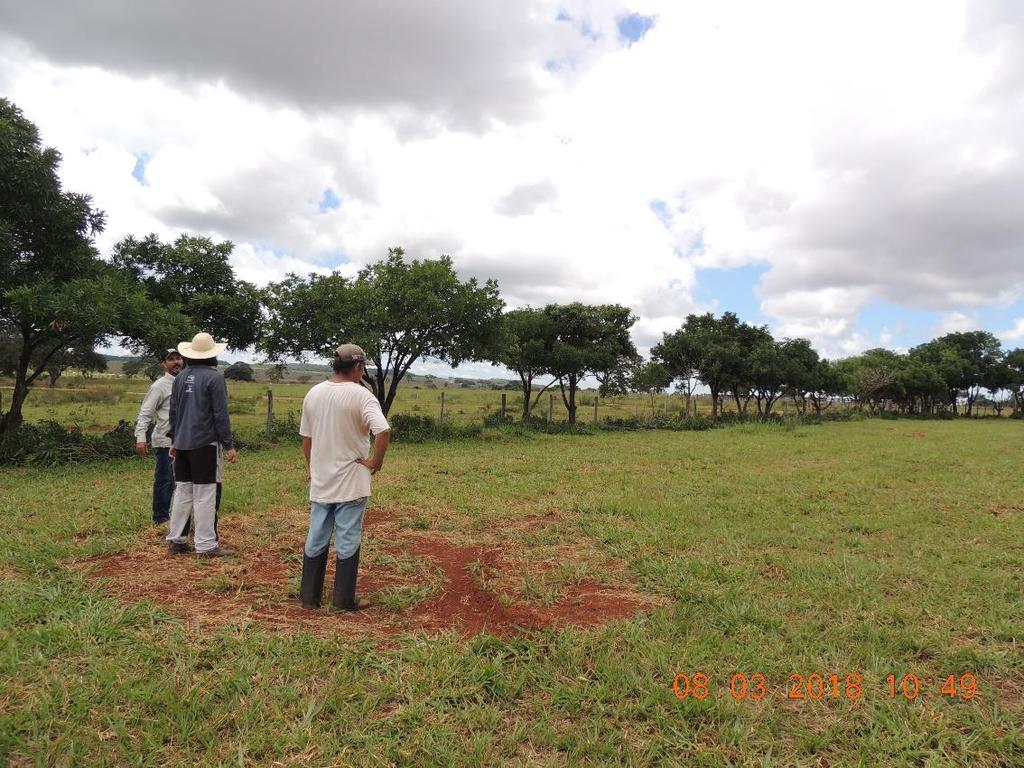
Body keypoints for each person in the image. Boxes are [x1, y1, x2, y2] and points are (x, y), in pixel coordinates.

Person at [299, 343, 391, 610]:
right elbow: (383, 431)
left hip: (322, 480)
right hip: (351, 481)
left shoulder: (314, 393)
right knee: (348, 538)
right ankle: (343, 600)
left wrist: (312, 468)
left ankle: (309, 598)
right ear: (359, 367)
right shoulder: (362, 396)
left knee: (316, 535)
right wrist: (376, 462)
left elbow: (307, 438)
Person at [165, 332, 239, 557]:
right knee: (206, 493)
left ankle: (176, 540)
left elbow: (174, 412)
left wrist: (174, 439)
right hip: (205, 443)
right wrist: (229, 445)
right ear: (212, 355)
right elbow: (220, 414)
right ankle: (206, 544)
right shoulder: (214, 378)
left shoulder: (180, 377)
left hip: (183, 443)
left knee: (183, 491)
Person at [134, 349, 183, 525]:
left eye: (178, 358)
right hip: (165, 441)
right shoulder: (159, 386)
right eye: (171, 359)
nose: (176, 362)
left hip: (184, 441)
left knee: (182, 482)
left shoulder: (185, 382)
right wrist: (141, 437)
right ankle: (160, 518)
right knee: (165, 480)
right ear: (164, 364)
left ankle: (177, 518)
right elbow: (146, 413)